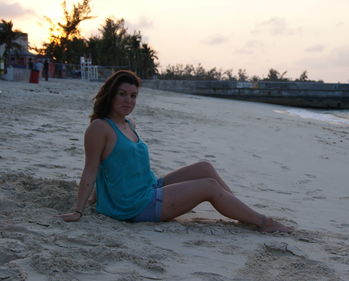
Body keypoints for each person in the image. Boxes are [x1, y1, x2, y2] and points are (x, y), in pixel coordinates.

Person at [57, 70, 292, 233]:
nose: (128, 101)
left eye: (133, 96)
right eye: (122, 94)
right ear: (110, 94)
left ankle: (240, 210)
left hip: (149, 188)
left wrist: (98, 197)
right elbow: (91, 170)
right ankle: (264, 222)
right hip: (136, 204)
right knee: (208, 185)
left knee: (204, 167)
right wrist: (79, 209)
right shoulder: (99, 128)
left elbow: (114, 168)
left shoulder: (129, 124)